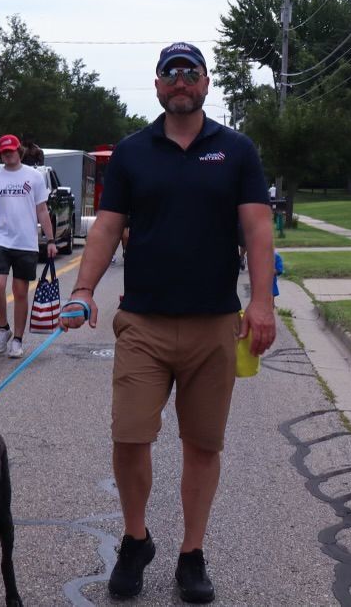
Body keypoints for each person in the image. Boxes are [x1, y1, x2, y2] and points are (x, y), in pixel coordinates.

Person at [60, 41, 276, 603]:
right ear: (157, 86)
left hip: (214, 325)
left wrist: (261, 303)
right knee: (130, 437)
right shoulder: (133, 152)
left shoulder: (236, 151)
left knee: (203, 445)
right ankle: (136, 541)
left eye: (191, 72)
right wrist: (83, 288)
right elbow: (107, 228)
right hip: (144, 323)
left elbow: (255, 230)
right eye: (170, 73)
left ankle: (191, 554)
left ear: (205, 83)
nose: (180, 81)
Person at [0, 134, 57, 359]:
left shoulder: (34, 176)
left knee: (20, 291)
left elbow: (42, 210)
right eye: (3, 152)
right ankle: (3, 328)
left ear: (19, 150)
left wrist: (51, 240)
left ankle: (17, 339)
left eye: (11, 151)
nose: (8, 155)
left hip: (26, 242)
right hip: (1, 240)